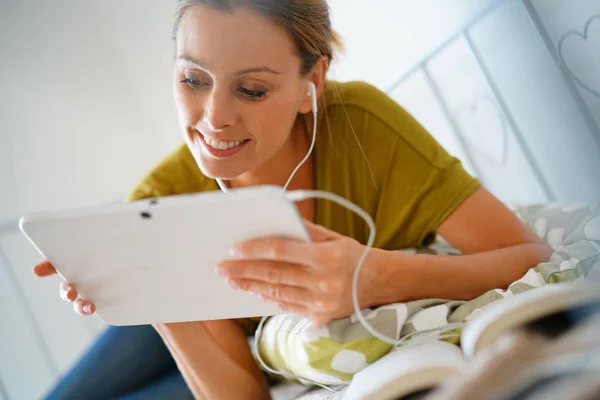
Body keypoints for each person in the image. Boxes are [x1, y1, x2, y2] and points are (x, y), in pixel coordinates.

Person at [33, 0, 554, 399]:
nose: (214, 117)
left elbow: (533, 259)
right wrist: (153, 298)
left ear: (313, 82)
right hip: (207, 338)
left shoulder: (363, 129)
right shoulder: (163, 197)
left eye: (252, 90)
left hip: (247, 352)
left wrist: (378, 277)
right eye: (193, 79)